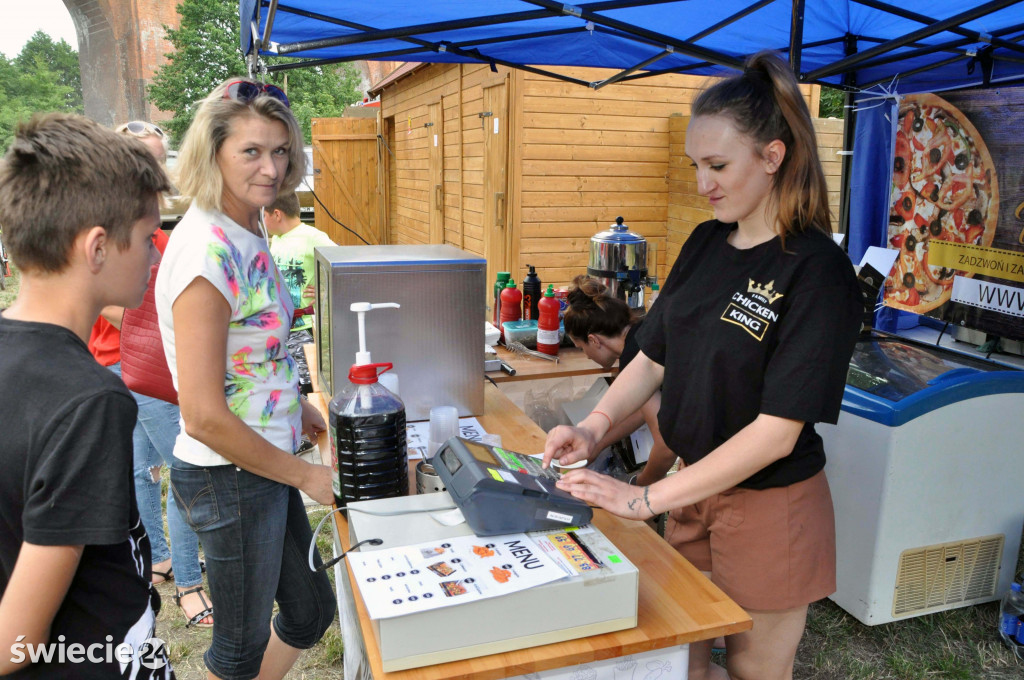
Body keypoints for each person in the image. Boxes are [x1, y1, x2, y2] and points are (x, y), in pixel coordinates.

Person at [543, 51, 863, 680]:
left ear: (773, 158)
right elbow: (650, 357)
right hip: (694, 490)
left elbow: (777, 432)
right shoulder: (706, 241)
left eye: (717, 165)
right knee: (678, 664)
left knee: (754, 671)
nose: (702, 183)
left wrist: (645, 499)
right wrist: (594, 425)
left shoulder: (817, 271)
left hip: (771, 506)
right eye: (697, 165)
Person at [155, 78, 336, 680]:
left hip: (262, 459)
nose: (271, 167)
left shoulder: (249, 226)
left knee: (309, 613)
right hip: (226, 474)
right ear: (213, 153)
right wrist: (307, 476)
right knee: (237, 647)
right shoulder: (206, 249)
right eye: (251, 151)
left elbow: (255, 350)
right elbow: (202, 414)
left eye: (281, 150)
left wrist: (298, 406)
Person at [0, 112, 174, 677]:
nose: (154, 257)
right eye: (148, 239)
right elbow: (15, 644)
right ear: (97, 248)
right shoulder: (92, 400)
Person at [88, 119, 213, 629]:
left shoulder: (156, 231)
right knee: (188, 471)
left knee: (143, 469)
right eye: (144, 157)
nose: (155, 169)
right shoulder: (111, 228)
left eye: (161, 157)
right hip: (131, 367)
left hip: (130, 367)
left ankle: (160, 559)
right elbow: (114, 305)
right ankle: (189, 583)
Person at [562, 275, 675, 487]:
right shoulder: (643, 332)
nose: (586, 356)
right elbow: (644, 409)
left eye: (582, 348)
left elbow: (666, 445)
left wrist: (639, 486)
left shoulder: (636, 357)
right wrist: (595, 443)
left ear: (594, 340)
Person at [263, 191, 336, 332]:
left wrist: (327, 290)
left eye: (265, 216)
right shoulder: (277, 239)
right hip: (280, 327)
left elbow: (345, 267)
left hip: (306, 328)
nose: (263, 222)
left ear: (277, 215)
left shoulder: (313, 237)